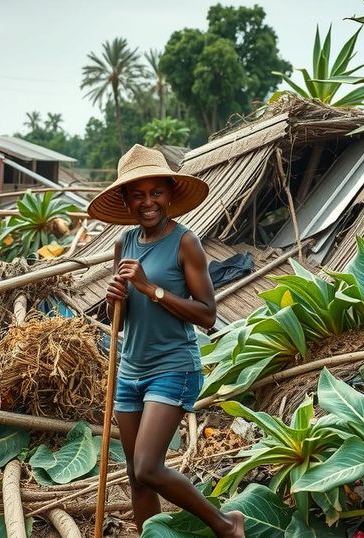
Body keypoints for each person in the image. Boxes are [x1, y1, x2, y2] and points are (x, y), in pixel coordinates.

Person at [87, 145, 245, 537]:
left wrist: (150, 288)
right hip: (130, 370)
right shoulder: (123, 244)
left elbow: (208, 314)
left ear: (170, 194)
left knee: (148, 466)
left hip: (173, 368)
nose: (148, 202)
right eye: (138, 194)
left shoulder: (185, 242)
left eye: (156, 192)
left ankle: (227, 524)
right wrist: (114, 300)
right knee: (136, 479)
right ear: (125, 199)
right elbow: (119, 322)